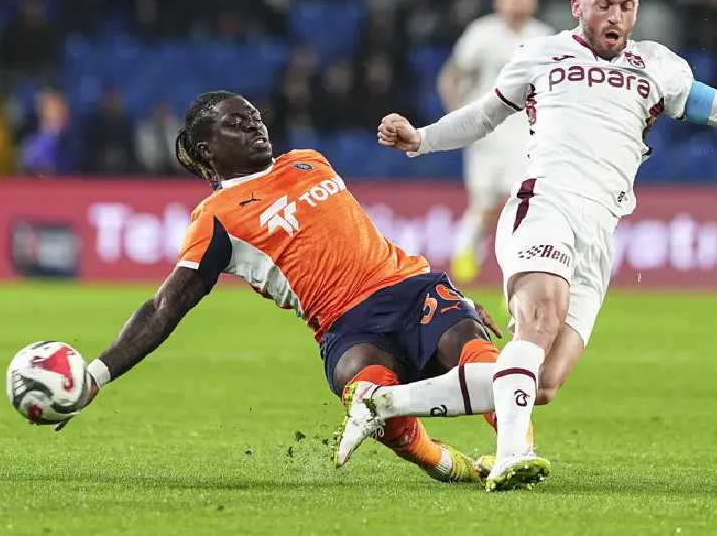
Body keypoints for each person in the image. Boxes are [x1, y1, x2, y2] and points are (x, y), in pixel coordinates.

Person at [338, 0, 717, 492]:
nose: (615, 15)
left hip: (598, 234)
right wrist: (422, 138)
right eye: (603, 3)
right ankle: (512, 453)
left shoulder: (660, 67)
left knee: (543, 382)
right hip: (542, 206)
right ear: (578, 5)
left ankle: (384, 402)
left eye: (627, 5)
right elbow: (484, 115)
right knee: (540, 319)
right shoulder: (541, 55)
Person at [55, 91, 505, 484]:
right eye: (236, 123)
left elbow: (363, 240)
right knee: (366, 390)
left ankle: (514, 453)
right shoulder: (216, 219)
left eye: (254, 116)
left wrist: (460, 302)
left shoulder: (308, 160)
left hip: (410, 288)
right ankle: (448, 465)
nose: (254, 125)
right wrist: (95, 376)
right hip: (347, 326)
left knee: (476, 353)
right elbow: (163, 308)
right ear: (206, 149)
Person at [437, 0, 554, 283]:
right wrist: (458, 116)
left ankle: (519, 270)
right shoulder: (482, 33)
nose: (517, 0)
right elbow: (451, 76)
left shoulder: (544, 38)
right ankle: (466, 252)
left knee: (524, 200)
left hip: (525, 133)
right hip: (486, 131)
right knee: (484, 202)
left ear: (534, 0)